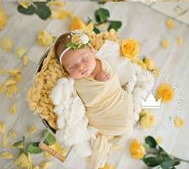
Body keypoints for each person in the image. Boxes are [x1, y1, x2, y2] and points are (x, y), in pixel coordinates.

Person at [54, 31, 134, 169]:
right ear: (65, 70)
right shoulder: (76, 82)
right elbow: (82, 99)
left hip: (115, 99)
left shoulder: (103, 62)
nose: (81, 67)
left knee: (127, 109)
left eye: (84, 59)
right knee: (125, 123)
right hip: (100, 114)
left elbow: (113, 81)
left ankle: (117, 127)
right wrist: (98, 81)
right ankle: (110, 131)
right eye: (72, 67)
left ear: (92, 50)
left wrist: (103, 80)